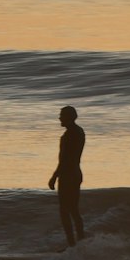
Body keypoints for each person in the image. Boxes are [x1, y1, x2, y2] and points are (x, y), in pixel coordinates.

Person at [48, 105, 85, 247]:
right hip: (76, 173)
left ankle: (72, 245)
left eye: (62, 115)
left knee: (64, 210)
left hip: (68, 175)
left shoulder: (69, 135)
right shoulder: (80, 131)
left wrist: (54, 176)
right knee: (74, 210)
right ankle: (80, 243)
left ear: (69, 117)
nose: (59, 118)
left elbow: (65, 159)